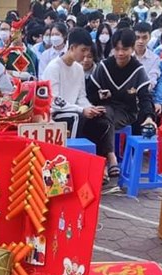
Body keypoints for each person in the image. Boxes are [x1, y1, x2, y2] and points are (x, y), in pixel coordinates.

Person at [43, 28, 116, 177]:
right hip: (56, 114)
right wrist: (81, 110)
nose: (85, 55)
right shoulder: (54, 67)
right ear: (72, 48)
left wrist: (90, 108)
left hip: (75, 110)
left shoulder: (78, 69)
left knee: (103, 119)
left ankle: (100, 166)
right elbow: (54, 100)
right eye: (83, 50)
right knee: (78, 117)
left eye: (88, 51)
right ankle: (71, 165)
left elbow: (81, 96)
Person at [87, 28, 156, 180]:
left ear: (132, 49)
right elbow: (90, 91)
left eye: (125, 49)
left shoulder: (137, 70)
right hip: (105, 107)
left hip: (127, 111)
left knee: (105, 120)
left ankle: (105, 161)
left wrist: (149, 116)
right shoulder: (104, 66)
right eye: (117, 49)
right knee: (103, 116)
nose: (120, 53)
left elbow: (145, 97)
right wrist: (99, 95)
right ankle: (110, 156)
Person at [133, 21, 160, 89]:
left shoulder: (155, 59)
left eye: (144, 38)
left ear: (149, 37)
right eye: (137, 37)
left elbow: (152, 80)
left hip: (144, 92)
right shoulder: (127, 55)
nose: (140, 41)